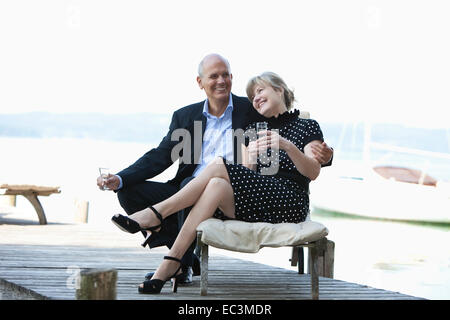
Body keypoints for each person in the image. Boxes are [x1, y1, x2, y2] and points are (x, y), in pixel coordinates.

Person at [97, 54, 333, 285]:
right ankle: (177, 260)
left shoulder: (255, 113)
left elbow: (313, 160)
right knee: (139, 190)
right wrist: (120, 178)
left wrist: (323, 154)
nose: (221, 81)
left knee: (212, 172)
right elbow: (161, 156)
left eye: (225, 75)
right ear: (200, 82)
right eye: (213, 76)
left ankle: (157, 221)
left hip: (273, 194)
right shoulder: (191, 117)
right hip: (209, 190)